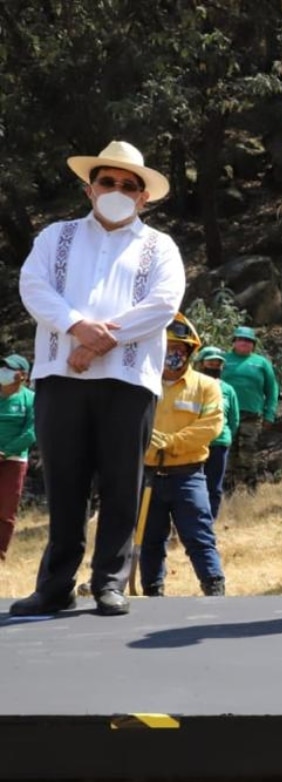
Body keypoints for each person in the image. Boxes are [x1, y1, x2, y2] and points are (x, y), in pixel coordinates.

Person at [12, 141, 185, 617]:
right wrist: (76, 326)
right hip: (61, 376)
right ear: (89, 188)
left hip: (128, 380)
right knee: (65, 484)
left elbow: (163, 304)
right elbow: (33, 286)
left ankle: (110, 581)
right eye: (108, 181)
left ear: (143, 197)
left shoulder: (160, 246)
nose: (117, 190)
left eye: (129, 185)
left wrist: (94, 344)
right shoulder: (56, 236)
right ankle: (55, 583)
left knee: (121, 483)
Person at [138, 314, 226, 596]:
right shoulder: (141, 384)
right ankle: (153, 590)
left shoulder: (206, 386)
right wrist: (149, 442)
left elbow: (211, 425)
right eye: (166, 347)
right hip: (147, 476)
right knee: (149, 539)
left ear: (189, 352)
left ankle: (214, 587)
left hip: (187, 475)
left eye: (178, 348)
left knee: (199, 535)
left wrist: (171, 443)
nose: (171, 354)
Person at [222, 325, 279, 492]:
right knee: (227, 450)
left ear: (254, 344)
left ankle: (250, 488)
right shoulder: (223, 360)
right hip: (225, 414)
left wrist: (270, 414)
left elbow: (272, 389)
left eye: (248, 340)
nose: (244, 343)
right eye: (240, 339)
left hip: (251, 415)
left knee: (249, 452)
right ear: (234, 342)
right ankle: (226, 490)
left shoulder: (261, 363)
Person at [195, 345, 240, 520]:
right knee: (191, 486)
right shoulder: (190, 386)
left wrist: (225, 437)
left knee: (213, 487)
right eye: (210, 362)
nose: (214, 366)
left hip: (219, 444)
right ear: (200, 364)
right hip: (193, 444)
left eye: (218, 363)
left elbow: (234, 419)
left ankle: (208, 523)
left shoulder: (228, 390)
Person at [0, 354, 35, 560]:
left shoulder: (31, 399)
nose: (3, 373)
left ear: (22, 375)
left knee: (6, 509)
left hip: (14, 461)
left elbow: (31, 431)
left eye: (9, 369)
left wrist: (6, 452)